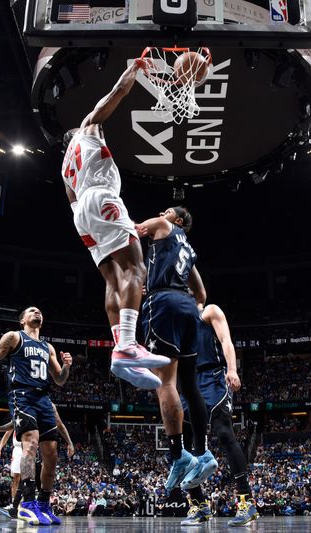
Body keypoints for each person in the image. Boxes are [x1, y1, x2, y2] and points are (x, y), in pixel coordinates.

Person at [61, 58, 170, 389]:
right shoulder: (88, 130)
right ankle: (125, 346)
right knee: (136, 270)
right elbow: (116, 93)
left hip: (82, 214)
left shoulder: (66, 167)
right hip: (102, 197)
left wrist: (113, 220)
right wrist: (134, 69)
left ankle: (121, 348)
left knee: (113, 277)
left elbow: (77, 203)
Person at [135, 207, 215, 517]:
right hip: (186, 308)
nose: (161, 212)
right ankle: (203, 451)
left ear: (178, 220)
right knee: (189, 383)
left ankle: (177, 454)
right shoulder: (190, 251)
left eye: (167, 211)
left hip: (164, 304)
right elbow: (202, 292)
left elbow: (131, 229)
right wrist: (191, 308)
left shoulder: (162, 226)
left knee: (165, 382)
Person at [0, 306, 72, 526]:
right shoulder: (14, 337)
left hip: (44, 398)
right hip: (22, 395)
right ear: (23, 319)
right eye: (32, 311)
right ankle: (28, 502)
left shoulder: (47, 347)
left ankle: (43, 504)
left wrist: (66, 366)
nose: (37, 313)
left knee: (51, 454)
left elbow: (60, 380)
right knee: (30, 442)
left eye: (40, 311)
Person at [180, 304, 258, 526]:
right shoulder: (177, 321)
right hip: (189, 383)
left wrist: (232, 369)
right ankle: (199, 506)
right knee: (189, 447)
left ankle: (246, 501)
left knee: (224, 433)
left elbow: (226, 341)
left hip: (213, 377)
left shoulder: (209, 312)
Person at [0, 403, 75, 518]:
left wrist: (69, 442)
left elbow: (60, 425)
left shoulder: (49, 406)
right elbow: (14, 422)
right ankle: (17, 508)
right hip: (34, 449)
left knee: (40, 481)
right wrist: (0, 428)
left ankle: (40, 508)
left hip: (45, 447)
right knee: (26, 480)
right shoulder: (27, 404)